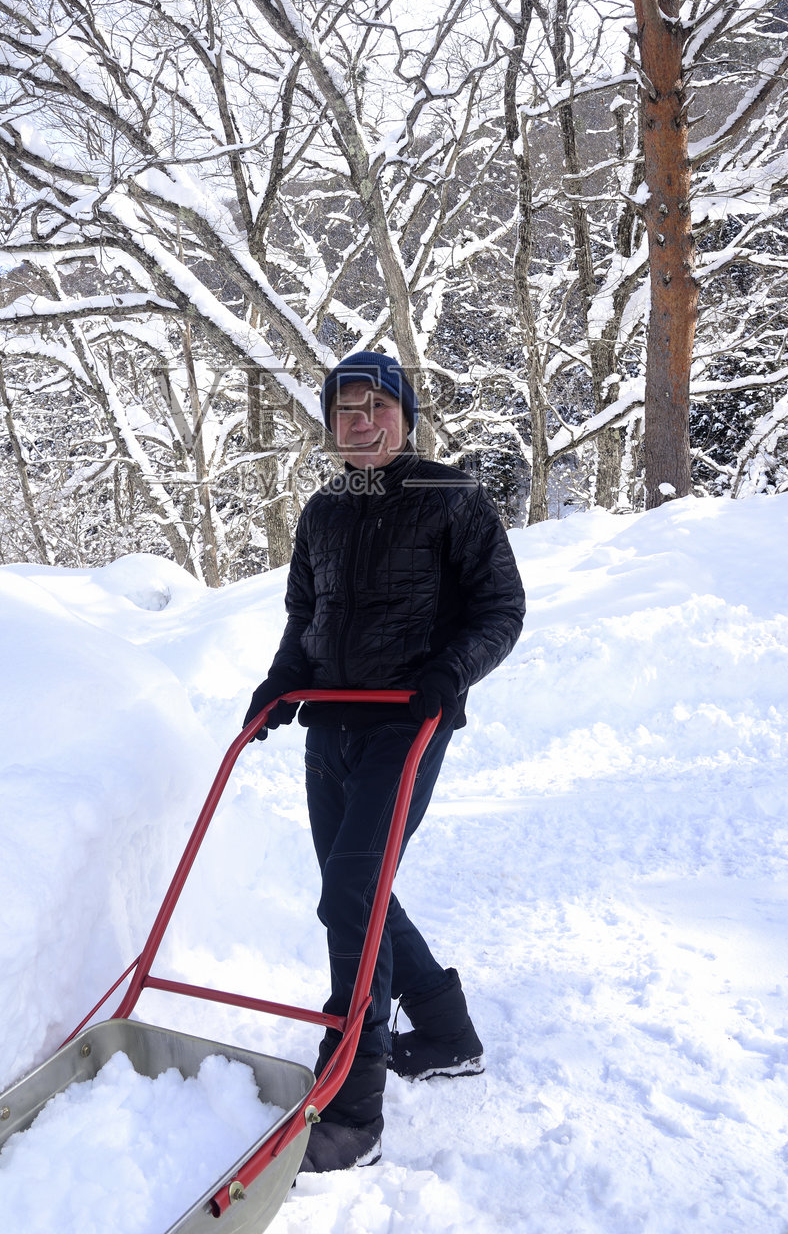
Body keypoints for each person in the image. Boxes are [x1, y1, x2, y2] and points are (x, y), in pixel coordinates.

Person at [243, 350, 526, 1173]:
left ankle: (352, 1110)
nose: (361, 423)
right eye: (346, 410)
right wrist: (281, 681)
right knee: (357, 891)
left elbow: (502, 608)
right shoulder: (324, 510)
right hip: (329, 722)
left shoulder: (451, 496)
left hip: (407, 721)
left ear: (405, 414)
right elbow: (306, 613)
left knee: (351, 896)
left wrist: (451, 671)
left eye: (377, 407)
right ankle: (445, 1033)